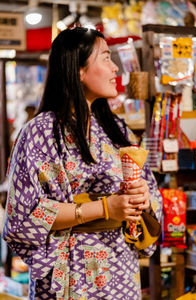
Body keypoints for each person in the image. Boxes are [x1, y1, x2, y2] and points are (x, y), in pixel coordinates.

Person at [3, 27, 162, 300]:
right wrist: (103, 208)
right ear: (78, 69)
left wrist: (143, 199)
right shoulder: (41, 131)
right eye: (106, 58)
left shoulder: (118, 129)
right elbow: (24, 215)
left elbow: (150, 192)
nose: (115, 69)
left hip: (121, 270)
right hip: (71, 271)